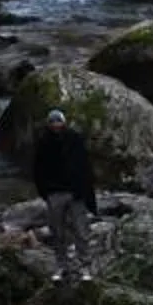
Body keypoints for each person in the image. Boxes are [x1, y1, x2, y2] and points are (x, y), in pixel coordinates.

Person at [31, 107, 98, 284]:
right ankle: (62, 266)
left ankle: (85, 266)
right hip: (54, 193)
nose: (56, 125)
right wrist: (45, 191)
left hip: (75, 193)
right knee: (57, 232)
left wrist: (85, 191)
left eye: (58, 121)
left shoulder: (75, 139)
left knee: (81, 231)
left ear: (64, 122)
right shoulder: (44, 142)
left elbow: (85, 166)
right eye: (52, 122)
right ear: (48, 124)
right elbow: (38, 170)